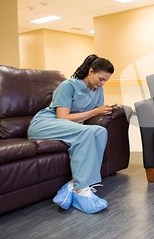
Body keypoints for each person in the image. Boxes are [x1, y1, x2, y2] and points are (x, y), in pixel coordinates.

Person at [28, 54, 116, 214]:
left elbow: (90, 116)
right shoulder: (68, 86)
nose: (102, 83)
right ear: (90, 72)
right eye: (100, 79)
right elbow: (63, 117)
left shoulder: (98, 90)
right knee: (86, 134)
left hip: (69, 126)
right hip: (45, 124)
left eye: (105, 81)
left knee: (100, 131)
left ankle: (73, 186)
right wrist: (95, 111)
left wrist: (101, 111)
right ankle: (81, 190)